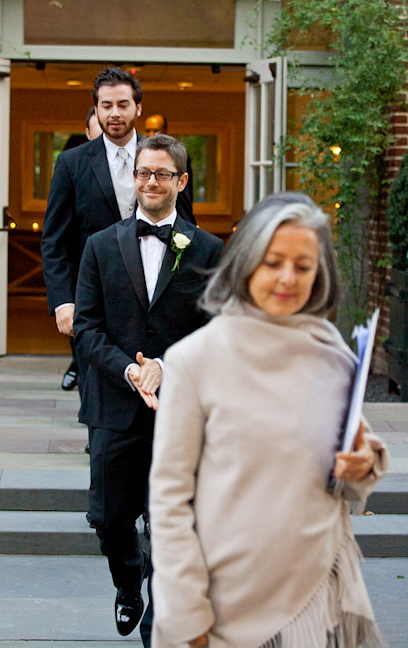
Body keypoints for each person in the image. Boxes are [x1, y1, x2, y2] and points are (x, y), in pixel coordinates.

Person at [149, 191, 389, 648]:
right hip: (225, 609)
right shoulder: (194, 360)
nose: (287, 278)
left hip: (323, 599)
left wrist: (364, 462)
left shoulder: (332, 353)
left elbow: (355, 458)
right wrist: (186, 617)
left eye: (303, 266)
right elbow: (168, 500)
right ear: (245, 263)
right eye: (273, 262)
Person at [73, 133, 223, 645]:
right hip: (114, 405)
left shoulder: (208, 250)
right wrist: (132, 371)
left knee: (174, 526)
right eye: (142, 173)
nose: (150, 182)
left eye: (161, 174)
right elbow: (87, 329)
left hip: (181, 412)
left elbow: (215, 333)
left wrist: (164, 365)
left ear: (181, 183)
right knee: (110, 520)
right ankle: (128, 584)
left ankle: (161, 621)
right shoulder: (99, 246)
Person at [41, 67, 196, 384]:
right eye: (106, 105)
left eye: (123, 105)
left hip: (156, 296)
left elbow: (186, 227)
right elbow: (54, 240)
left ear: (138, 108)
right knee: (98, 395)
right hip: (95, 301)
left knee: (159, 394)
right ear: (95, 109)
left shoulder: (167, 159)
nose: (114, 113)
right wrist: (62, 301)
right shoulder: (71, 163)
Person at [60, 107, 103, 391]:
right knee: (85, 336)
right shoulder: (71, 165)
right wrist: (62, 299)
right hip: (82, 269)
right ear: (87, 134)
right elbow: (57, 235)